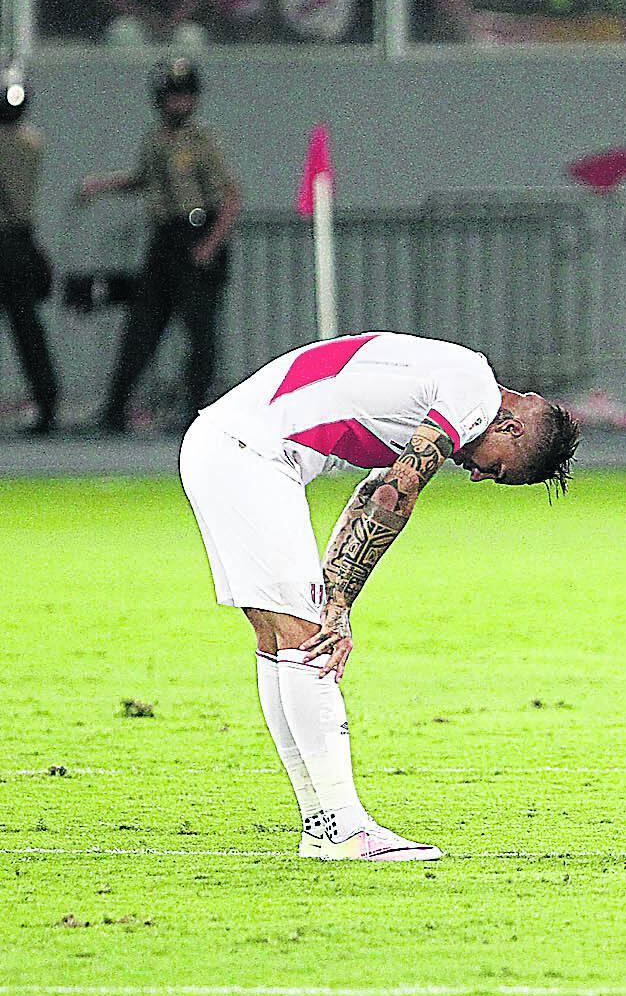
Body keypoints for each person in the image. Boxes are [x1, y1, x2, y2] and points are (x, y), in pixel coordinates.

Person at [178, 331, 582, 860]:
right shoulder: (474, 396)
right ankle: (344, 828)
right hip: (251, 459)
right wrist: (336, 609)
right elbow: (398, 491)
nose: (480, 476)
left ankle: (321, 823)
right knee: (307, 643)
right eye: (498, 468)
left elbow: (372, 493)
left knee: (280, 642)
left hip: (219, 447)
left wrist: (334, 597)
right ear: (510, 426)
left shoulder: (444, 384)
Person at [80, 58, 243, 432]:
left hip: (196, 233)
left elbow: (231, 197)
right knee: (142, 326)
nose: (177, 104)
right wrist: (102, 185)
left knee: (201, 332)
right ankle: (115, 409)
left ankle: (198, 412)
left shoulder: (203, 141)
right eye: (171, 96)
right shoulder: (154, 139)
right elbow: (143, 180)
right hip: (165, 240)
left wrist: (210, 245)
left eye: (183, 96)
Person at [0, 63, 60, 435]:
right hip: (21, 242)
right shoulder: (32, 141)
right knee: (28, 332)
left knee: (27, 331)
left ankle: (47, 403)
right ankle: (47, 403)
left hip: (10, 241)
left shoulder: (21, 142)